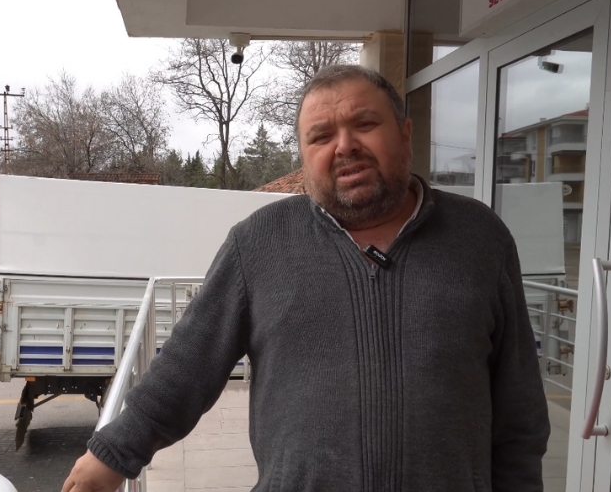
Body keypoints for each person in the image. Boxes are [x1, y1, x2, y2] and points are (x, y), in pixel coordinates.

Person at [62, 64, 550, 492]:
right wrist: (114, 453)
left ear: (405, 133)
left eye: (365, 124)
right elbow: (189, 364)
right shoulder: (258, 243)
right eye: (321, 136)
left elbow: (519, 408)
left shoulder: (479, 237)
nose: (345, 146)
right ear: (304, 156)